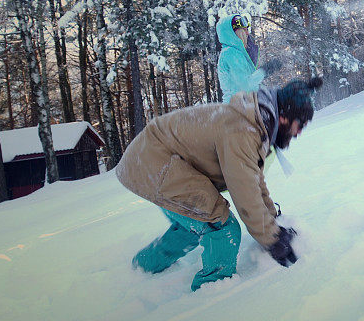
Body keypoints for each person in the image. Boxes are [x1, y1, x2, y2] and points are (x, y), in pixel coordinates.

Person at [116, 76, 323, 291]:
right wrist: (273, 239)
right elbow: (245, 194)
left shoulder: (256, 122)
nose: (299, 133)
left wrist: (272, 219)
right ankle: (212, 294)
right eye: (300, 124)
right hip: (152, 162)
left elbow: (253, 180)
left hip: (149, 158)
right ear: (284, 117)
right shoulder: (244, 130)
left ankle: (142, 267)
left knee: (197, 220)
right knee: (222, 227)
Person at [217, 13, 280, 103]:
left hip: (242, 105)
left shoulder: (237, 53)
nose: (247, 33)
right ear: (233, 33)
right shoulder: (230, 53)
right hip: (236, 109)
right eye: (244, 30)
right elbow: (246, 85)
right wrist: (265, 70)